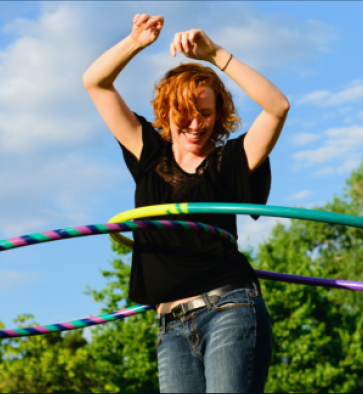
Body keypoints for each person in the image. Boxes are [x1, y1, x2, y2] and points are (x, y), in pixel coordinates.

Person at [82, 13, 289, 393]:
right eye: (186, 114)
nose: (196, 125)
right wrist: (135, 43)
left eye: (206, 114)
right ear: (168, 112)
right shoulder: (147, 152)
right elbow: (95, 82)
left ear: (219, 115)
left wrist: (215, 55)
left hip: (229, 308)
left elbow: (277, 107)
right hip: (170, 326)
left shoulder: (229, 162)